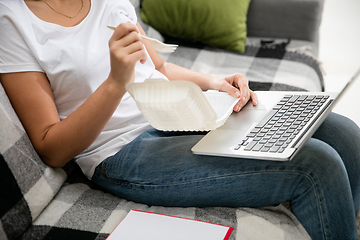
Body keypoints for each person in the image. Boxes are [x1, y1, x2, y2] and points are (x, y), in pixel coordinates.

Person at [0, 0, 359, 239]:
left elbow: (157, 67)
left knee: (344, 133)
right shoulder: (12, 20)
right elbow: (51, 148)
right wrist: (114, 83)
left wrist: (216, 84)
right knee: (316, 166)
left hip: (176, 113)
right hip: (121, 151)